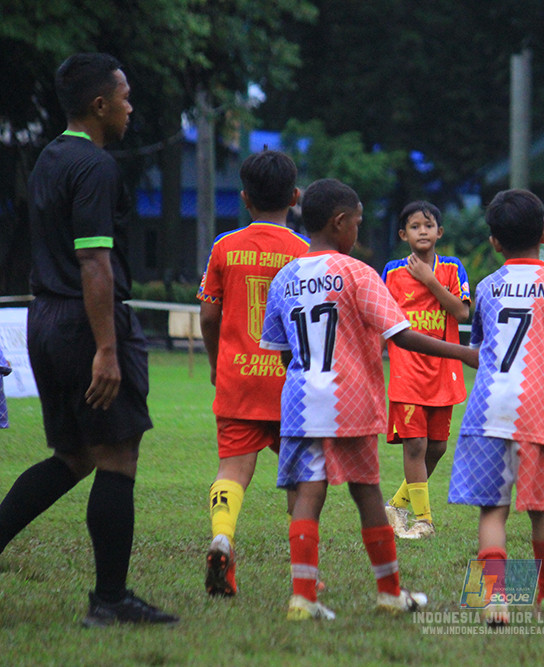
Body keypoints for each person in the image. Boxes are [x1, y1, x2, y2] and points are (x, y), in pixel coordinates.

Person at [0, 53, 177, 626]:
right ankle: (110, 600)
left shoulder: (49, 158)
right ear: (100, 105)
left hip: (45, 318)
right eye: (124, 98)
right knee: (118, 454)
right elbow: (94, 261)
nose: (130, 107)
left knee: (74, 456)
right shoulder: (95, 167)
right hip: (86, 321)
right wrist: (107, 348)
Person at [260, 178, 478, 620]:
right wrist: (464, 353)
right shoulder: (358, 273)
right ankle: (390, 593)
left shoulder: (284, 277)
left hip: (300, 401)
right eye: (357, 223)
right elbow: (403, 334)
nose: (358, 231)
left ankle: (302, 597)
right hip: (350, 400)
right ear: (340, 222)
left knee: (309, 494)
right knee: (367, 494)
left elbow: (281, 350)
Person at [448, 189, 544, 625]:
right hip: (537, 410)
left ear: (494, 242)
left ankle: (495, 599)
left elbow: (481, 349)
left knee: (492, 510)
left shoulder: (486, 287)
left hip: (487, 408)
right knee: (541, 508)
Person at [197, 149, 310, 596]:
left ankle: (223, 536)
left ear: (244, 198)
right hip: (291, 382)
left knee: (231, 470)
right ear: (295, 197)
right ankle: (304, 575)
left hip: (238, 378)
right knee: (301, 478)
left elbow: (209, 316)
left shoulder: (224, 247)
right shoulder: (305, 253)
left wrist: (215, 364)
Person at [381, 201, 471, 539]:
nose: (422, 231)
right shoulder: (391, 272)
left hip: (442, 373)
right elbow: (380, 318)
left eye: (428, 225)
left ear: (440, 232)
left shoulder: (452, 268)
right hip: (406, 373)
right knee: (415, 446)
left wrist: (430, 281)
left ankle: (395, 505)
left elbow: (461, 313)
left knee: (437, 448)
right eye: (415, 226)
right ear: (403, 234)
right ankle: (424, 521)